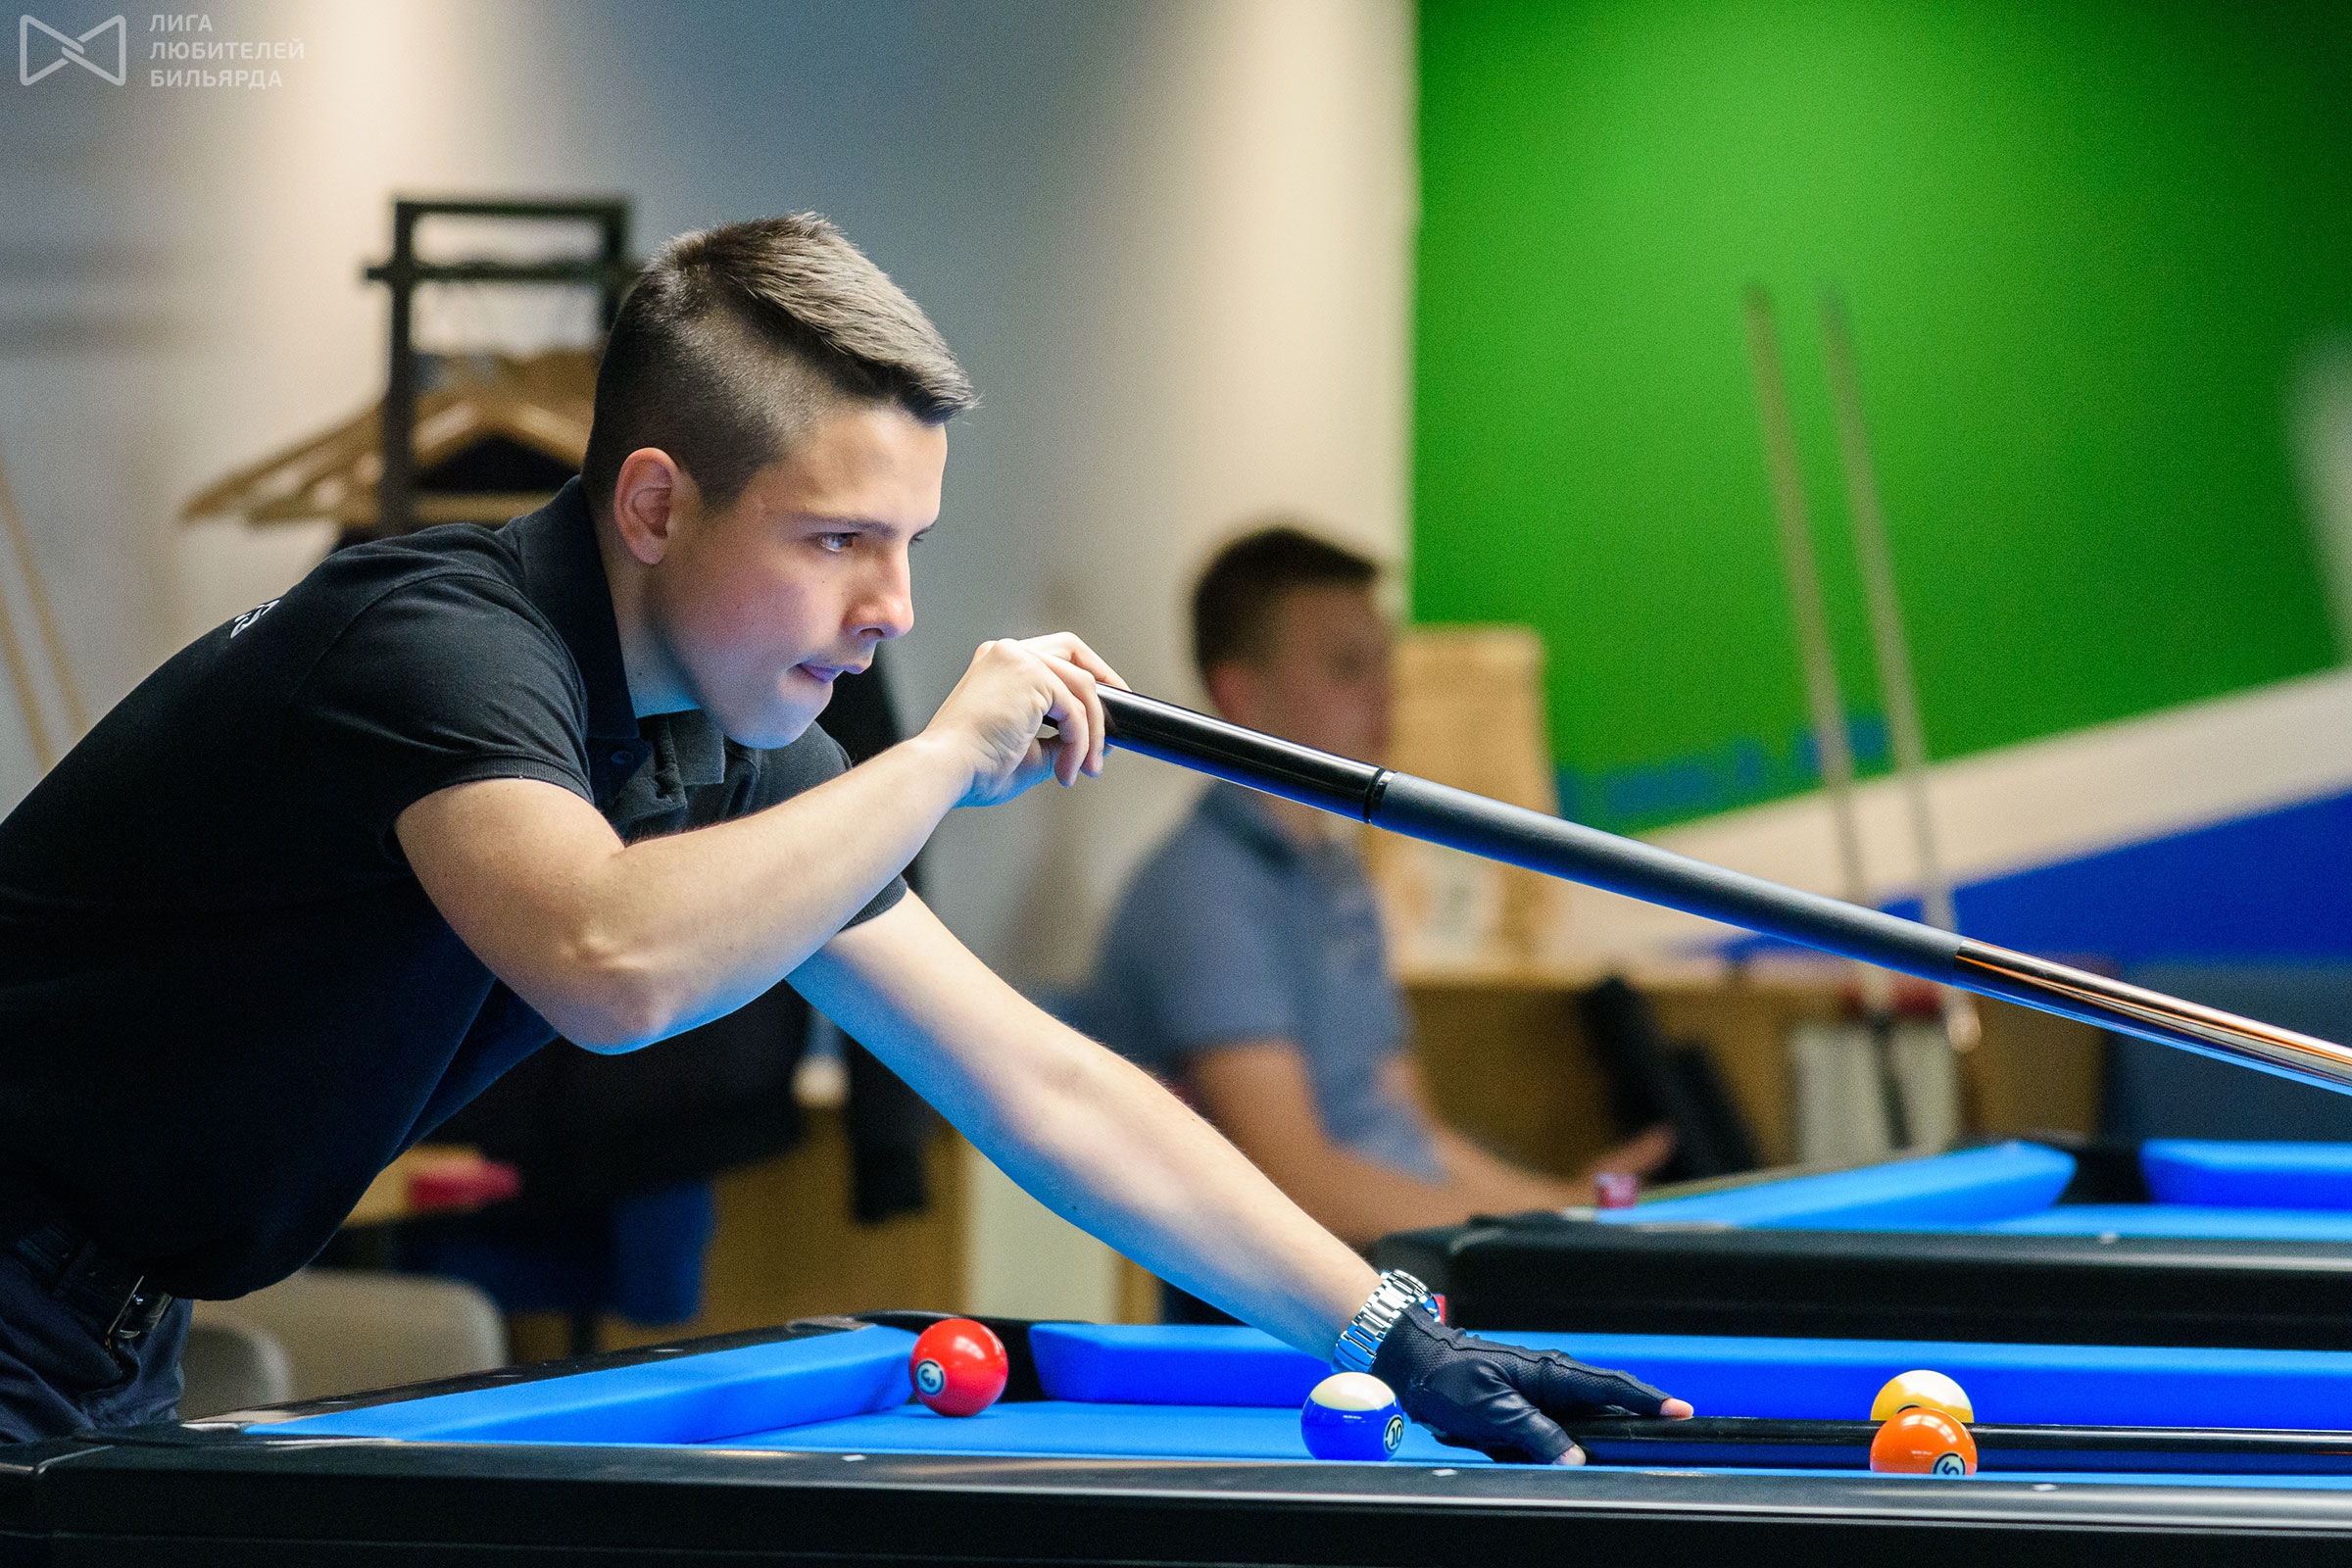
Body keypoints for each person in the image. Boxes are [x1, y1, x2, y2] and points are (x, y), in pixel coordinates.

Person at [0, 215, 1688, 1456]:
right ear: (654, 505)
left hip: (112, 1322)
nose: (892, 609)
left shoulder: (722, 750)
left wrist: (1391, 1331)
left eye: (910, 545)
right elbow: (610, 960)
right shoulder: (440, 646)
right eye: (835, 542)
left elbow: (1040, 1083)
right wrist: (940, 759)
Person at [1080, 527, 1676, 1304]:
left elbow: (1411, 1133)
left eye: (1383, 662)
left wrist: (1565, 1208)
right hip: (1314, 1303)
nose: (1384, 693)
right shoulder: (1200, 893)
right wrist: (1540, 1236)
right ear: (1239, 695)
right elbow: (1298, 1184)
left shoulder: (1339, 869)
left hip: (1400, 1264)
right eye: (1347, 667)